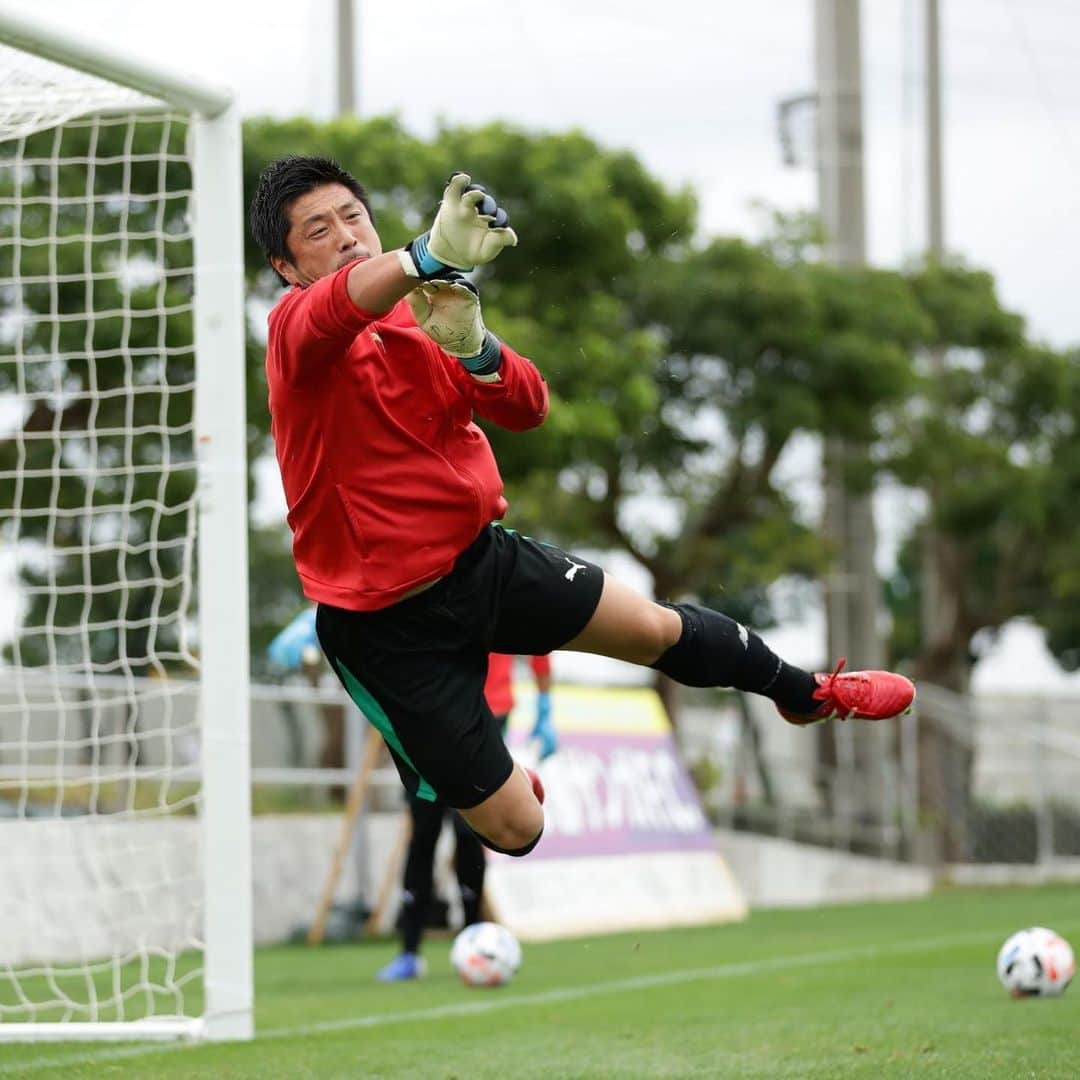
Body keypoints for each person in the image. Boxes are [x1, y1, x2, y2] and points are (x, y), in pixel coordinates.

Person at [249, 156, 915, 863]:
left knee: (654, 626)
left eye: (354, 217)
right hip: (383, 627)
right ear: (287, 267)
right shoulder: (297, 330)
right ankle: (459, 771)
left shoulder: (422, 315)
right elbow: (343, 300)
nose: (347, 237)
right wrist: (425, 256)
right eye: (318, 232)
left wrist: (474, 347)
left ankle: (806, 692)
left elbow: (528, 407)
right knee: (517, 830)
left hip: (480, 564)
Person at [377, 653, 553, 982]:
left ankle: (476, 939)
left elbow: (540, 630)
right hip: (430, 710)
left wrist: (545, 701)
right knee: (424, 831)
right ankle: (409, 952)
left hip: (488, 710)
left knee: (469, 830)